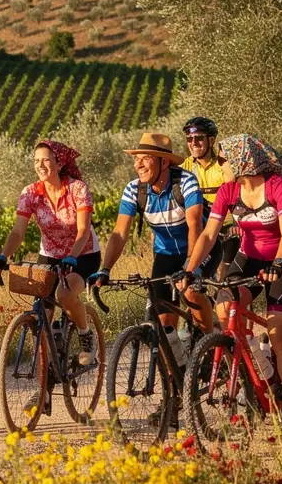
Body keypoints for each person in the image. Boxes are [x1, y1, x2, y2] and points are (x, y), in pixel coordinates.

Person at [181, 133, 282, 435]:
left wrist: (278, 263)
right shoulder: (228, 190)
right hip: (248, 258)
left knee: (278, 333)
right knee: (226, 312)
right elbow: (209, 234)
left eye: (223, 160)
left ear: (242, 161)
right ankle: (258, 365)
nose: (220, 165)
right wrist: (190, 269)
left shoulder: (277, 186)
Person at [89, 132, 211, 337]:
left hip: (200, 248)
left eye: (145, 158)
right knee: (165, 326)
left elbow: (195, 226)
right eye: (136, 159)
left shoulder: (185, 182)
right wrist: (105, 269)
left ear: (164, 162)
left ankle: (212, 346)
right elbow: (120, 233)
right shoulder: (134, 190)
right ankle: (177, 365)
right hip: (166, 254)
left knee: (190, 292)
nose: (138, 165)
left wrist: (190, 267)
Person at [0, 140, 100, 366]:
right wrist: (4, 255)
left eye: (46, 160)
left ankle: (85, 334)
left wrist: (71, 256)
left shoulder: (77, 189)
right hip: (49, 254)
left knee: (65, 294)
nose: (40, 165)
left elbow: (82, 230)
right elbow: (18, 232)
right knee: (41, 313)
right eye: (36, 161)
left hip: (83, 253)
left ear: (59, 164)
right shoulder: (30, 193)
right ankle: (44, 387)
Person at [180, 116, 238, 281]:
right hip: (199, 225)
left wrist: (236, 224)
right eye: (189, 139)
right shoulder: (186, 167)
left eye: (199, 138)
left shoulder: (222, 166)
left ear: (211, 140)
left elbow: (235, 197)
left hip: (223, 225)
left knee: (232, 243)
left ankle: (228, 287)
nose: (194, 143)